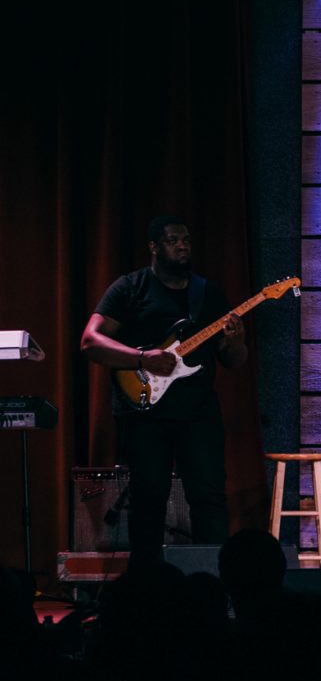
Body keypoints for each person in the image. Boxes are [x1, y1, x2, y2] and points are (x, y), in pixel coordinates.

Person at [80, 216, 246, 565]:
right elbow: (90, 342)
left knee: (210, 500)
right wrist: (142, 358)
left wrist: (236, 341)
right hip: (146, 414)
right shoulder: (130, 288)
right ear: (154, 247)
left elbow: (233, 361)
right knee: (147, 501)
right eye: (173, 241)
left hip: (198, 414)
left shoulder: (207, 294)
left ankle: (213, 583)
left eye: (186, 240)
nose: (183, 246)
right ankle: (148, 583)